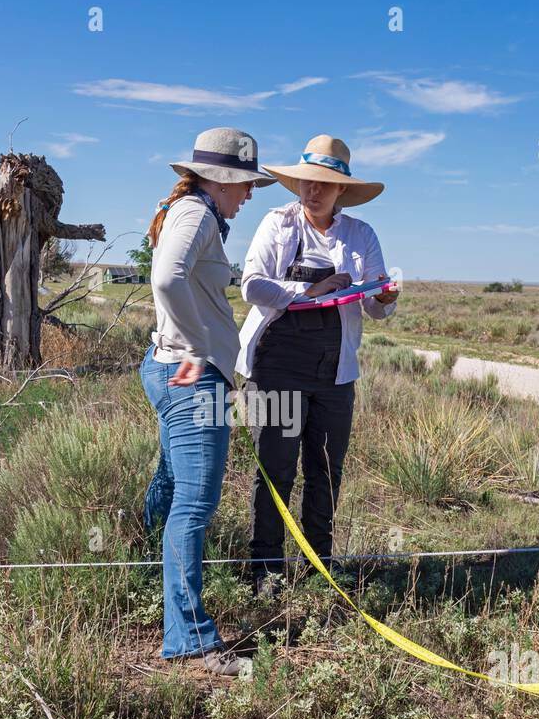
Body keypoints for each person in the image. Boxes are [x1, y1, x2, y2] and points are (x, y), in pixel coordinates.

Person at [235, 135, 398, 597]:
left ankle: (319, 566)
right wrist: (311, 292)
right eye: (307, 182)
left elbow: (376, 303)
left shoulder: (361, 235)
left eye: (324, 184)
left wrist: (385, 298)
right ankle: (266, 569)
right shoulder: (278, 224)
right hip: (277, 364)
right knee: (276, 466)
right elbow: (252, 286)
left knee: (326, 469)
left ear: (342, 190)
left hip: (334, 372)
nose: (313, 191)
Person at [139, 127, 276, 676]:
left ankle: (141, 571)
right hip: (190, 373)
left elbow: (179, 280)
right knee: (194, 503)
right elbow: (166, 278)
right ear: (222, 180)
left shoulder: (192, 212)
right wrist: (196, 344)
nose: (248, 196)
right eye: (245, 185)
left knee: (173, 484)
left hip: (173, 368)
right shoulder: (195, 213)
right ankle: (190, 640)